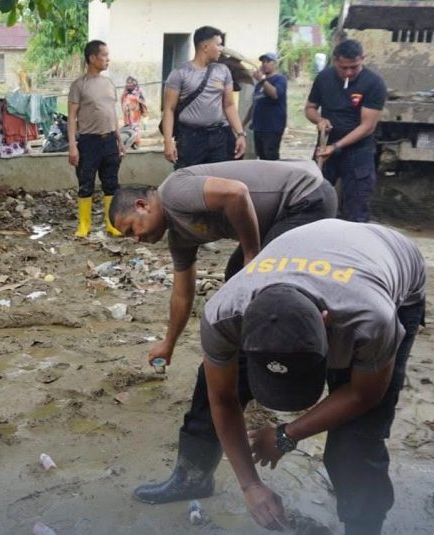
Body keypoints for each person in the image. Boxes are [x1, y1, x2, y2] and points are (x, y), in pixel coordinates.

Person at [108, 159, 337, 501]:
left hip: (305, 202)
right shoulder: (179, 237)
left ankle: (261, 371)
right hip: (284, 214)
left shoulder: (173, 191)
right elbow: (183, 292)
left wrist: (252, 256)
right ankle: (203, 454)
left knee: (249, 316)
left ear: (143, 205)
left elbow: (236, 193)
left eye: (132, 229)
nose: (137, 238)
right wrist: (168, 344)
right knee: (238, 290)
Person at [201, 219, 425, 535]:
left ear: (325, 322)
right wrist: (250, 484)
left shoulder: (371, 318)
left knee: (355, 440)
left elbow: (364, 395)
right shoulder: (222, 314)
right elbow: (222, 399)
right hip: (320, 258)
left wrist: (286, 435)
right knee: (222, 384)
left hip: (392, 262)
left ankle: (364, 526)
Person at [305, 39, 386, 222]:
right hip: (325, 150)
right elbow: (310, 108)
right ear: (335, 61)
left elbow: (367, 127)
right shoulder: (324, 78)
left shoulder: (374, 83)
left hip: (358, 152)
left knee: (356, 209)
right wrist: (319, 119)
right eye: (343, 67)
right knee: (314, 202)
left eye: (354, 67)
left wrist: (336, 147)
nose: (348, 72)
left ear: (362, 59)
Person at [162, 26, 246, 169]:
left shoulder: (223, 71)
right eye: (218, 45)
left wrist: (240, 134)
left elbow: (229, 105)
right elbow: (169, 109)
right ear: (206, 47)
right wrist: (168, 142)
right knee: (189, 179)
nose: (221, 49)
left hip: (219, 136)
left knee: (222, 180)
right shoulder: (180, 73)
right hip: (190, 138)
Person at [68, 40, 126, 238]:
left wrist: (119, 140)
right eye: (104, 55)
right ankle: (84, 226)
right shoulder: (79, 85)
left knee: (111, 184)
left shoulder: (109, 84)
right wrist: (73, 146)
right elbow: (72, 118)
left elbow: (112, 114)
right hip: (88, 142)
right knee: (86, 184)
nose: (108, 59)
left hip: (109, 140)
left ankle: (111, 224)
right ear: (92, 58)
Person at [243, 52, 287, 160]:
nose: (264, 64)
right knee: (261, 157)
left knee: (270, 157)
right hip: (259, 127)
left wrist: (262, 80)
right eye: (263, 62)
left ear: (275, 64)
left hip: (272, 127)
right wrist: (242, 124)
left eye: (268, 61)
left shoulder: (280, 79)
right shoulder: (259, 84)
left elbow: (275, 94)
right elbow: (254, 104)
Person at [121, 76, 147, 147]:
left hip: (135, 114)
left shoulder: (138, 91)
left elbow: (142, 101)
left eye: (131, 82)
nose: (129, 84)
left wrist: (135, 101)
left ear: (134, 82)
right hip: (127, 114)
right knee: (128, 127)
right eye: (128, 82)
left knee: (135, 128)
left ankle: (136, 143)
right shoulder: (125, 92)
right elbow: (122, 100)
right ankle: (129, 142)